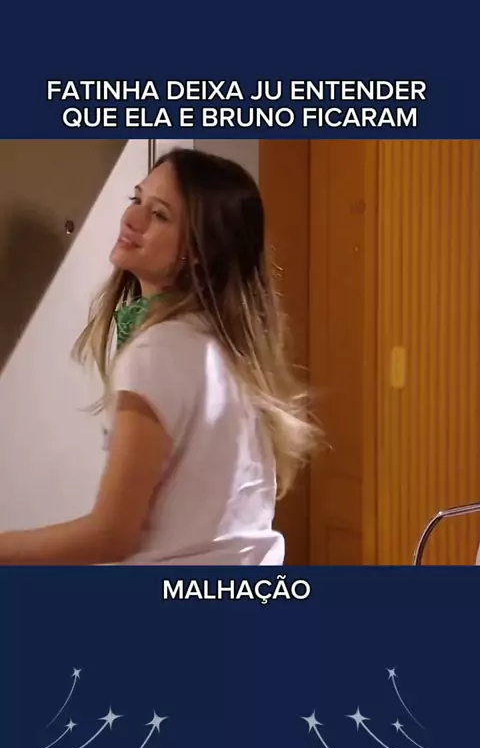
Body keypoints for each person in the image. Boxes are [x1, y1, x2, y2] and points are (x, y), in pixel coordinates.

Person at [0, 148, 319, 565]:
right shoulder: (232, 347)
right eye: (137, 200)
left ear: (200, 248)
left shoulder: (159, 352)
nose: (132, 219)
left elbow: (110, 536)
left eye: (160, 215)